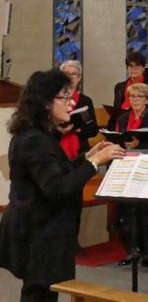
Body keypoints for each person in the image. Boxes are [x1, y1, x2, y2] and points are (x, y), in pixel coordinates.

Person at [0, 69, 124, 302]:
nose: (71, 104)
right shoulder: (35, 140)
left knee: (42, 294)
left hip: (41, 229)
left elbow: (55, 170)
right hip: (38, 233)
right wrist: (94, 162)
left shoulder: (39, 134)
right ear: (45, 102)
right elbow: (58, 189)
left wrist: (87, 155)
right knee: (39, 295)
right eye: (65, 98)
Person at [114, 83, 148, 268]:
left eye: (138, 97)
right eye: (132, 97)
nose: (135, 100)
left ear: (147, 99)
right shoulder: (123, 118)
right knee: (129, 212)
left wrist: (138, 146)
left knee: (146, 212)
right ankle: (132, 250)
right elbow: (118, 139)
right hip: (127, 167)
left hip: (146, 167)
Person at [58, 60, 98, 160]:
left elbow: (93, 130)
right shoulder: (54, 99)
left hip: (81, 150)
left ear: (79, 78)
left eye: (74, 74)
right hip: (56, 146)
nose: (70, 77)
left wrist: (77, 130)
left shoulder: (85, 101)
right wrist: (59, 129)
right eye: (66, 73)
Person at [111, 52, 148, 129]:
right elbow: (116, 109)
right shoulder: (119, 87)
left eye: (137, 66)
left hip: (143, 123)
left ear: (143, 68)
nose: (133, 70)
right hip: (121, 122)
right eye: (131, 67)